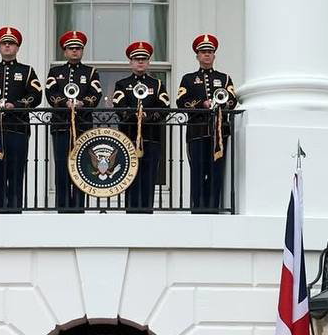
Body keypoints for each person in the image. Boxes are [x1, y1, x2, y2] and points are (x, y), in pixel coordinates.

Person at [0, 27, 42, 212]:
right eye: (4, 43)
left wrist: (17, 105)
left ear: (17, 47)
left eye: (11, 43)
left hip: (18, 129)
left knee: (15, 173)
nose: (7, 46)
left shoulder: (27, 71)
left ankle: (14, 211)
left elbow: (36, 95)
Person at [175, 34, 237, 212]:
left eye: (210, 52)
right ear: (197, 56)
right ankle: (198, 209)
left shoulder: (224, 79)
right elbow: (181, 101)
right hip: (197, 132)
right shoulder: (188, 79)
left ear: (214, 55)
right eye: (203, 52)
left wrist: (220, 103)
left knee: (216, 173)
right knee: (198, 172)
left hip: (219, 134)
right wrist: (202, 103)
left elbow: (232, 100)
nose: (207, 55)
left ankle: (213, 208)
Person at [45, 30, 102, 211]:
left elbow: (96, 94)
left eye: (78, 48)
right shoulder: (55, 72)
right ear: (65, 51)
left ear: (82, 51)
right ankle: (62, 207)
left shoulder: (91, 72)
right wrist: (65, 103)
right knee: (62, 167)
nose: (75, 51)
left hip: (83, 126)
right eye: (71, 48)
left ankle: (78, 207)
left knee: (81, 167)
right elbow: (50, 93)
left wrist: (82, 103)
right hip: (61, 126)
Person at [112, 42, 171, 213]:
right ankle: (131, 211)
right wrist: (133, 115)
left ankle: (147, 211)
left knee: (149, 176)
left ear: (148, 62)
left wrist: (148, 117)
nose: (140, 62)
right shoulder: (122, 84)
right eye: (136, 59)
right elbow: (119, 106)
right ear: (130, 62)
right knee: (130, 177)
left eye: (143, 59)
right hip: (129, 138)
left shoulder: (157, 84)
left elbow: (165, 106)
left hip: (151, 137)